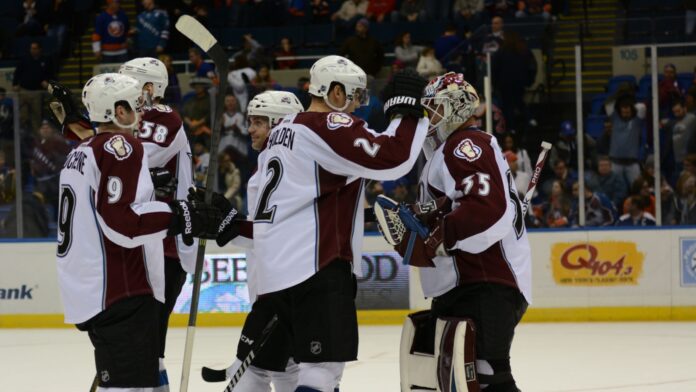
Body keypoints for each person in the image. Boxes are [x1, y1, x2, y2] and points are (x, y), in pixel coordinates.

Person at [216, 55, 428, 392]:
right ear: (335, 93)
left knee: (271, 371)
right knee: (320, 373)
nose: (357, 107)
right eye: (355, 96)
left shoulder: (281, 133)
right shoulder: (328, 126)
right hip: (318, 267)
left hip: (276, 277)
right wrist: (407, 109)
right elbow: (393, 156)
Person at [56, 73, 220, 392]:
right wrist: (182, 215)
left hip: (92, 287)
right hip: (121, 287)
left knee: (135, 383)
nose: (143, 110)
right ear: (119, 111)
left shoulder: (81, 152)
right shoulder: (122, 145)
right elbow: (123, 222)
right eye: (136, 104)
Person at [391, 72, 530, 392]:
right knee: (459, 379)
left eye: (435, 109)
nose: (429, 118)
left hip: (484, 282)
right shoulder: (446, 152)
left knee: (487, 377)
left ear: (456, 108)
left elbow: (485, 209)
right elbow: (461, 207)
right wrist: (424, 220)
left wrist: (435, 238)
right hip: (468, 284)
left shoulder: (465, 144)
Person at [197, 90, 306, 391]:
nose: (250, 129)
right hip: (282, 291)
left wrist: (227, 225)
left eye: (259, 122)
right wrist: (229, 224)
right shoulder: (272, 165)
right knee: (288, 372)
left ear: (280, 124)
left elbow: (276, 234)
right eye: (250, 121)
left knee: (250, 376)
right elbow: (267, 232)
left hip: (279, 293)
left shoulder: (284, 168)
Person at [119, 57, 200, 391]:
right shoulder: (134, 121)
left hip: (167, 246)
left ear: (149, 89)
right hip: (146, 242)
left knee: (147, 344)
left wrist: (84, 131)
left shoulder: (163, 117)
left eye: (128, 84)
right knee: (144, 345)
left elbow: (126, 159)